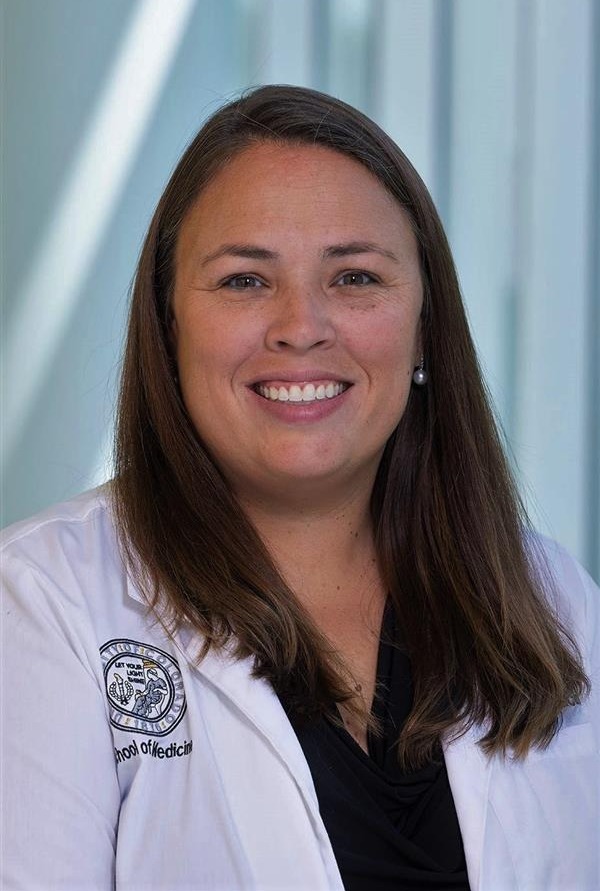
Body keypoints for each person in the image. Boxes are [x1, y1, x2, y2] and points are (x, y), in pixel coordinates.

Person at [1, 84, 598, 891]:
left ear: (425, 322)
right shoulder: (43, 603)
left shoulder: (551, 597)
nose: (300, 324)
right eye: (245, 280)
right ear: (168, 322)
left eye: (354, 277)